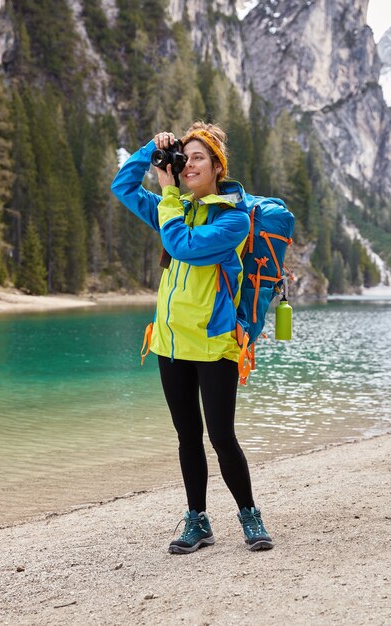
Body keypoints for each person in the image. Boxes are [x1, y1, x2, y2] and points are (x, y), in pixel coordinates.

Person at [111, 121, 273, 554]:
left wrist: (167, 194)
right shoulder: (176, 205)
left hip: (214, 343)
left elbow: (182, 245)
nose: (187, 165)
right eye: (185, 158)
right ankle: (197, 520)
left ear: (218, 165)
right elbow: (122, 186)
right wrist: (153, 149)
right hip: (169, 342)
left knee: (222, 436)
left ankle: (249, 515)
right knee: (187, 436)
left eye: (197, 157)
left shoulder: (234, 219)